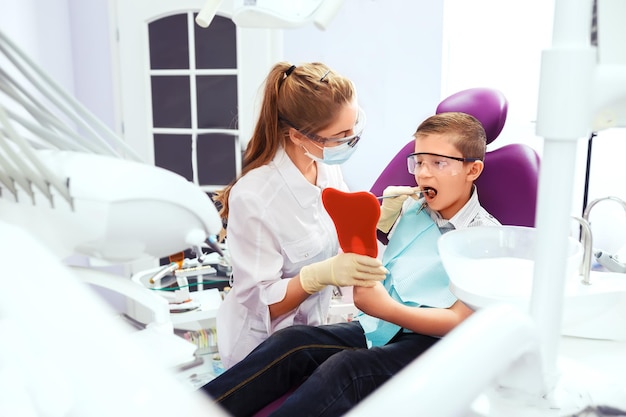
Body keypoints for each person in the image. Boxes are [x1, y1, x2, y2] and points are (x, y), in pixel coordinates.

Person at [201, 111, 502, 416]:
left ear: (472, 169)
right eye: (419, 162)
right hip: (383, 328)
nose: (423, 174)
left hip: (436, 347)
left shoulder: (485, 238)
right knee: (294, 342)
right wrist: (374, 223)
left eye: (438, 163)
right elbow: (376, 251)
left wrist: (387, 309)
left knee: (347, 369)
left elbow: (459, 322)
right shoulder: (411, 209)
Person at [212, 62, 388, 369]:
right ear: (297, 136)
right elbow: (260, 299)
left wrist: (382, 215)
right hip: (259, 349)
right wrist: (318, 276)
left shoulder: (326, 166)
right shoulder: (255, 197)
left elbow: (340, 223)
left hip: (308, 337)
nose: (350, 141)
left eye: (353, 127)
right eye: (341, 135)